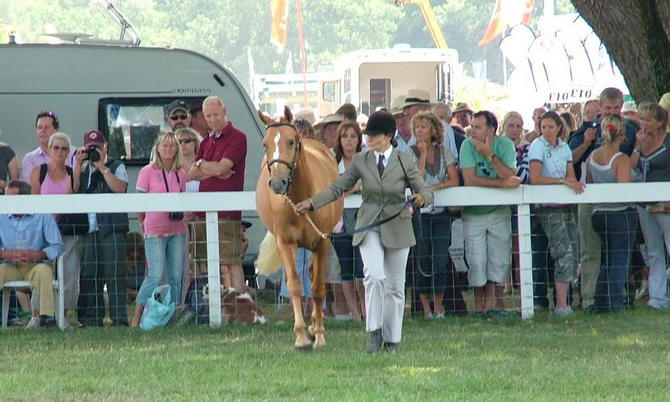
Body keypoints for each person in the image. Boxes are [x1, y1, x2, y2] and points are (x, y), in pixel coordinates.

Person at [295, 110, 432, 353]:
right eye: (367, 134)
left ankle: (393, 339)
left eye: (374, 135)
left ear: (389, 136)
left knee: (395, 287)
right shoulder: (362, 160)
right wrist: (312, 202)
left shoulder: (404, 159)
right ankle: (374, 333)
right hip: (369, 224)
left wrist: (422, 198)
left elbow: (423, 188)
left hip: (398, 225)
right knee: (374, 276)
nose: (368, 139)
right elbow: (339, 186)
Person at [568, 88, 637, 311]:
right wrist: (586, 143)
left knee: (611, 257)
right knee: (601, 254)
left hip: (601, 207)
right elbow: (570, 161)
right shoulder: (584, 135)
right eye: (609, 108)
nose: (613, 112)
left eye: (617, 108)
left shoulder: (629, 133)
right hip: (601, 205)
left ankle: (606, 299)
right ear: (600, 107)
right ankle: (598, 300)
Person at [459, 110, 519, 315]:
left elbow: (510, 173)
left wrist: (489, 154)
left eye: (477, 127)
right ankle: (479, 307)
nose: (472, 131)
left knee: (498, 259)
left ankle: (491, 305)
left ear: (491, 130)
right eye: (472, 126)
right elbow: (470, 179)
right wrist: (501, 184)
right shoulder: (467, 145)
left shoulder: (505, 145)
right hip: (473, 214)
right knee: (476, 261)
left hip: (498, 213)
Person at [529, 111, 584, 317]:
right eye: (544, 127)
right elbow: (535, 178)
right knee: (562, 251)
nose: (547, 131)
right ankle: (561, 305)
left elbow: (571, 175)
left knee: (573, 249)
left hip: (566, 205)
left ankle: (566, 301)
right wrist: (561, 182)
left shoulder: (565, 147)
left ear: (559, 127)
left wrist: (570, 183)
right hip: (549, 206)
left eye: (551, 127)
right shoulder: (537, 146)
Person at [189, 95, 247, 290]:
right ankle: (212, 306)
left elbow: (223, 168)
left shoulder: (238, 137)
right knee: (203, 261)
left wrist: (202, 165)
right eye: (208, 116)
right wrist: (212, 170)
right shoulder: (206, 141)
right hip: (201, 211)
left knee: (231, 261)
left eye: (215, 114)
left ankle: (240, 307)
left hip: (227, 212)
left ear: (225, 112)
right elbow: (192, 173)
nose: (212, 120)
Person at [132, 132, 187, 327]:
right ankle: (137, 317)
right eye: (165, 145)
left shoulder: (181, 173)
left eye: (172, 145)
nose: (169, 148)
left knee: (176, 274)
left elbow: (183, 198)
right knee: (155, 274)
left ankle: (171, 316)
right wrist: (143, 222)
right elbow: (139, 200)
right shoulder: (147, 171)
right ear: (157, 148)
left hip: (177, 229)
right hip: (155, 229)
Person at [75, 130, 130, 327]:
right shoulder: (83, 170)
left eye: (97, 147)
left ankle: (119, 319)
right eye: (91, 148)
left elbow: (120, 189)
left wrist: (102, 167)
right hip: (90, 229)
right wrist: (77, 165)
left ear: (105, 146)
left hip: (112, 228)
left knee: (114, 273)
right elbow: (73, 191)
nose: (94, 151)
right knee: (90, 273)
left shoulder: (116, 166)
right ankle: (92, 319)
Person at [409, 112, 459, 318]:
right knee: (421, 260)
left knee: (439, 261)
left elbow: (454, 180)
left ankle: (439, 306)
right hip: (419, 215)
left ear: (433, 131)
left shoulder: (445, 152)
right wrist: (421, 155)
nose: (419, 130)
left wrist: (435, 187)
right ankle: (426, 309)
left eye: (423, 127)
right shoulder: (409, 153)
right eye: (417, 127)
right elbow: (416, 180)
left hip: (439, 214)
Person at [29, 132, 81, 328]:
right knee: (42, 270)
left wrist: (77, 168)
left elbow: (71, 194)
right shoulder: (38, 172)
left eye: (64, 148)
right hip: (43, 232)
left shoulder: (71, 172)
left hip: (67, 229)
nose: (60, 151)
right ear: (49, 150)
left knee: (68, 272)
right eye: (56, 147)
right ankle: (37, 314)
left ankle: (62, 315)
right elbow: (33, 202)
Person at [586, 114, 637, 312]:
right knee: (620, 258)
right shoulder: (620, 159)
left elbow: (591, 180)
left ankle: (600, 300)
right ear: (622, 134)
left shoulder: (593, 156)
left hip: (599, 213)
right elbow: (624, 190)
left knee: (608, 258)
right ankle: (614, 301)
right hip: (620, 213)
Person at [0, 180, 64, 329]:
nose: (6, 202)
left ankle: (47, 317)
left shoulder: (42, 215)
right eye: (5, 198)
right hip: (10, 266)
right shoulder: (1, 215)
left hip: (35, 266)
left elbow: (58, 246)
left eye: (11, 199)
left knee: (44, 271)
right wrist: (5, 254)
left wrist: (39, 254)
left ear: (25, 198)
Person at [630, 102, 670, 309]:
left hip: (666, 202)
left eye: (648, 119)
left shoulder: (668, 142)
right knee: (653, 250)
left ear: (660, 122)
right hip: (645, 202)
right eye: (641, 118)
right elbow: (631, 166)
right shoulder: (641, 141)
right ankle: (657, 298)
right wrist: (638, 146)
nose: (643, 123)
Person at [332, 120, 365, 321]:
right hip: (340, 222)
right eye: (345, 136)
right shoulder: (333, 162)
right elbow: (331, 187)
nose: (349, 140)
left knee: (362, 270)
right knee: (346, 270)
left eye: (353, 136)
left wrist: (353, 188)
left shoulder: (365, 159)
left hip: (363, 221)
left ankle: (366, 310)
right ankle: (354, 313)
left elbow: (370, 181)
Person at [21, 111, 75, 181]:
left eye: (47, 127)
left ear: (57, 130)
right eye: (39, 128)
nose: (42, 131)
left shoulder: (74, 154)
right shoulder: (29, 159)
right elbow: (29, 188)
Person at [175, 127, 202, 193]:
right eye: (179, 142)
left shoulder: (203, 164)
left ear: (196, 143)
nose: (183, 144)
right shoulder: (171, 167)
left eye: (187, 141)